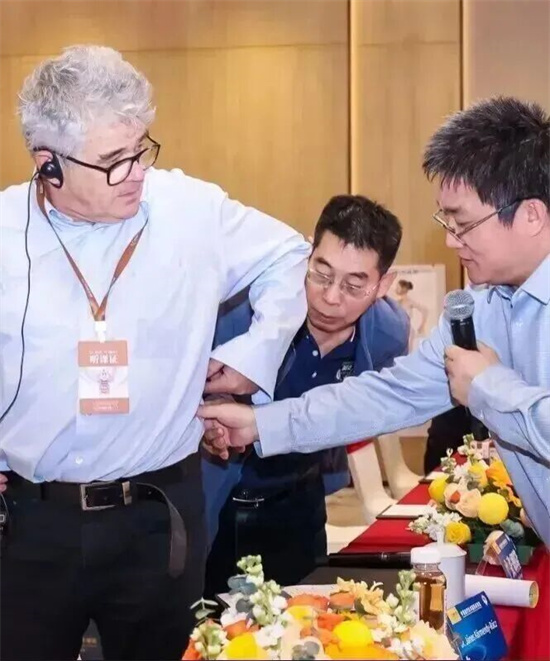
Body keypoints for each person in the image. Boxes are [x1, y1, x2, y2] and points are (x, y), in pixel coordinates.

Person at [0, 45, 310, 661]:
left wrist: (254, 355)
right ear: (48, 165)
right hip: (29, 523)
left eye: (141, 148)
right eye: (112, 161)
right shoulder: (5, 231)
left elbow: (289, 254)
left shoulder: (190, 209)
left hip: (157, 517)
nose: (136, 171)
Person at [199, 96, 550, 549]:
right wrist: (261, 424)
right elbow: (388, 395)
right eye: (445, 221)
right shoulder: (477, 312)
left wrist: (488, 387)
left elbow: (487, 390)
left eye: (462, 223)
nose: (450, 240)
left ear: (530, 215)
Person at [202, 195, 409, 593]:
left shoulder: (389, 334)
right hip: (218, 500)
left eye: (354, 285)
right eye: (321, 273)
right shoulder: (242, 315)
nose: (331, 298)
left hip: (299, 501)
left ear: (383, 284)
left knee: (301, 618)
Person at [393, 279, 429, 351]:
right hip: (399, 331)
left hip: (407, 331)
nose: (396, 289)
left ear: (403, 289)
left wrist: (422, 326)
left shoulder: (409, 302)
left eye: (398, 287)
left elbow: (425, 310)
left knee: (408, 351)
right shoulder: (397, 302)